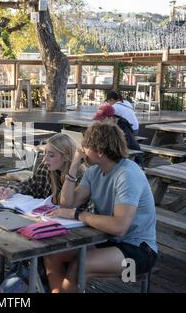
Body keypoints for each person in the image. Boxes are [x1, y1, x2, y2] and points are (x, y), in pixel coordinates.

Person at [43, 121, 157, 293]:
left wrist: (78, 215)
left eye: (85, 146)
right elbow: (66, 203)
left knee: (80, 265)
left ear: (100, 152)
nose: (81, 150)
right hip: (108, 241)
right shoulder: (93, 171)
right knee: (53, 255)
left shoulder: (128, 174)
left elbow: (119, 227)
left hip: (139, 252)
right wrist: (73, 167)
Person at [0, 133, 83, 205]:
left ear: (66, 157)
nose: (45, 159)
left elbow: (73, 206)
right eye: (44, 154)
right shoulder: (46, 168)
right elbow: (31, 184)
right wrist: (11, 191)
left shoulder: (80, 176)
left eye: (51, 155)